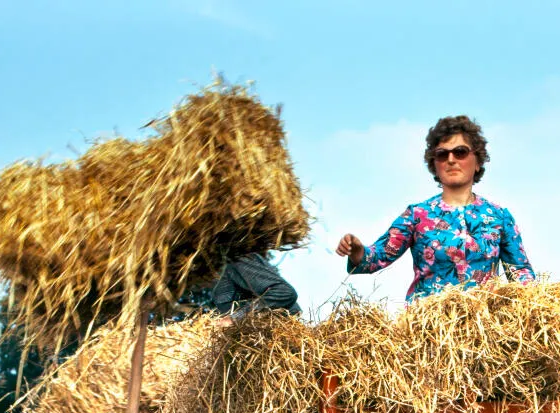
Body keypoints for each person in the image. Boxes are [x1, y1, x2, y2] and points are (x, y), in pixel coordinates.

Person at [335, 114, 535, 300]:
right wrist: (357, 251)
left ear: (477, 162)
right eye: (442, 154)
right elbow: (377, 257)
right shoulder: (417, 215)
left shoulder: (499, 217)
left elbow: (521, 274)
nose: (451, 159)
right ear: (434, 165)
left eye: (460, 152)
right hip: (429, 323)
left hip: (484, 323)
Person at [204, 252, 299, 318]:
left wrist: (235, 318)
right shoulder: (219, 280)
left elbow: (284, 292)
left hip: (276, 333)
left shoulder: (237, 262)